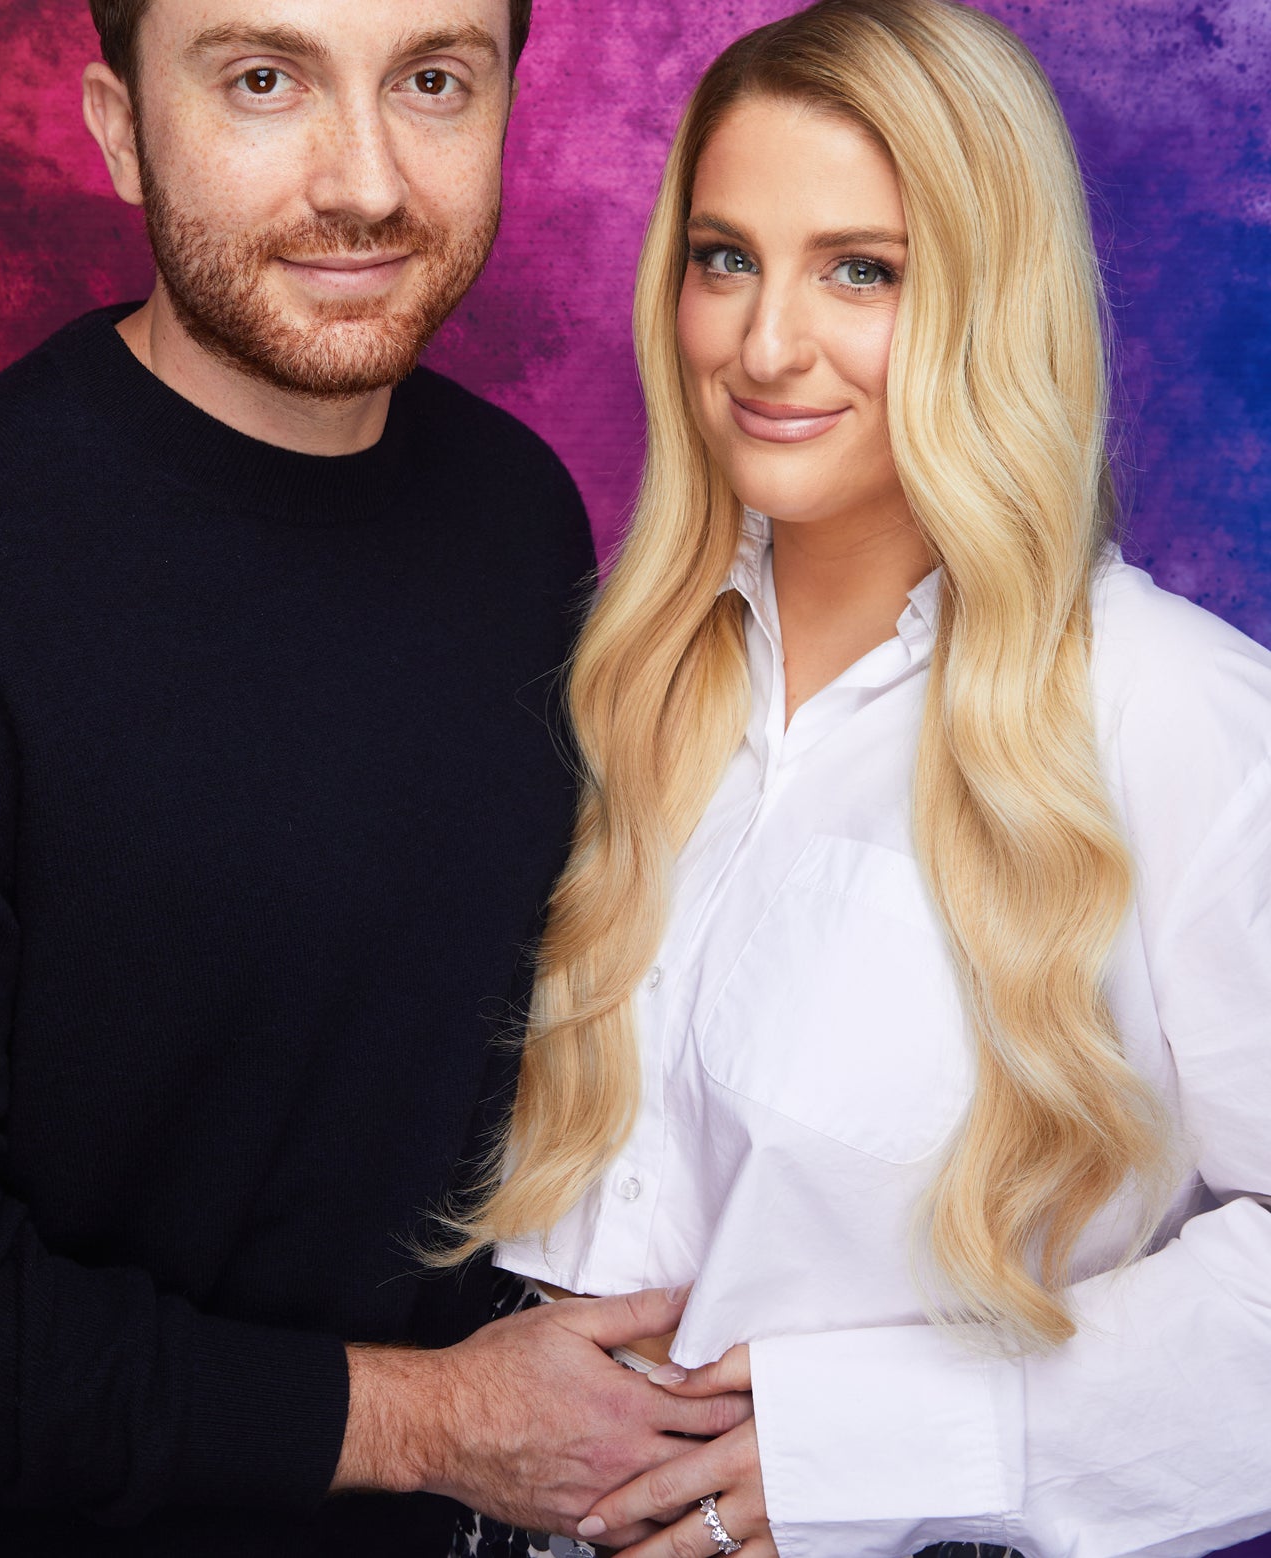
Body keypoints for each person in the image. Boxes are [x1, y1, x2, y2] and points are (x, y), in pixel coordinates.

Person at [0, 1, 754, 1553]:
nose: (367, 182)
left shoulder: (515, 511)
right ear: (120, 123)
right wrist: (444, 1423)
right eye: (264, 80)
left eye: (431, 80)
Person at [444, 2, 1271, 1555]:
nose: (766, 344)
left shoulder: (1178, 717)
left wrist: (889, 1442)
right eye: (726, 256)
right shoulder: (625, 669)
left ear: (987, 294)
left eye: (863, 270)